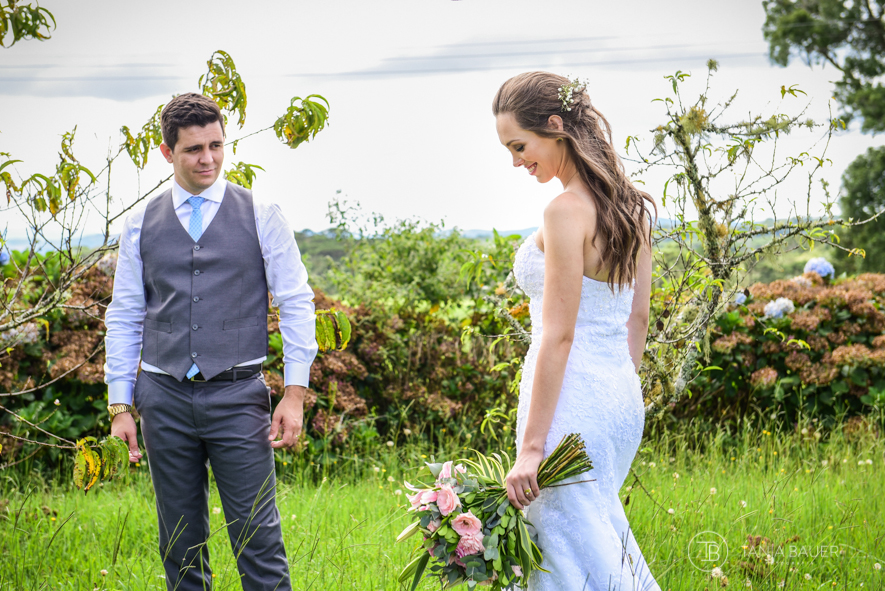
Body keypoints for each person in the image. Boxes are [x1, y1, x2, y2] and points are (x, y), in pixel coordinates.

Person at [104, 92, 317, 591]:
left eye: (217, 145)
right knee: (180, 543)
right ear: (166, 153)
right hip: (163, 395)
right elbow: (126, 313)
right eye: (194, 149)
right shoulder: (138, 223)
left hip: (237, 393)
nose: (208, 159)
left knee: (257, 540)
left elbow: (297, 301)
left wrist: (294, 392)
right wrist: (120, 405)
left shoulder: (261, 212)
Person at [494, 72, 661, 590]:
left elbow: (557, 335)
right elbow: (637, 319)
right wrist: (614, 391)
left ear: (555, 125)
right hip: (615, 398)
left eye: (520, 146)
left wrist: (531, 448)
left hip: (569, 404)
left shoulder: (564, 210)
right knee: (593, 538)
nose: (517, 161)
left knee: (562, 554)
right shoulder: (631, 206)